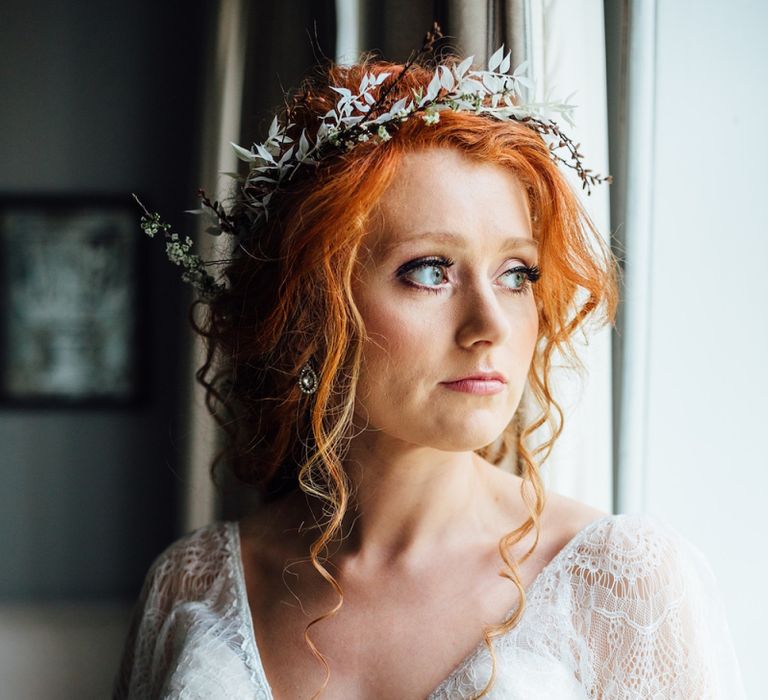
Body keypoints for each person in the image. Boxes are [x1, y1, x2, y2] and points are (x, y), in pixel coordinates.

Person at [113, 24, 746, 700]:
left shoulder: (625, 582)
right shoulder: (191, 585)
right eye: (429, 270)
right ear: (311, 307)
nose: (490, 326)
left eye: (516, 274)